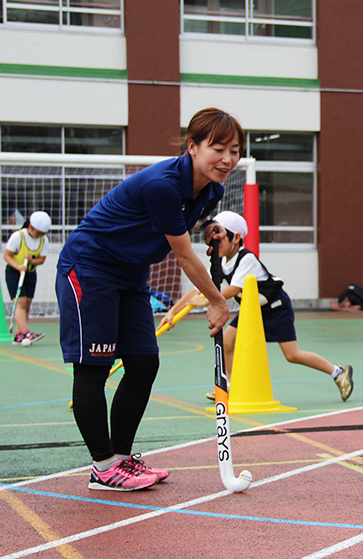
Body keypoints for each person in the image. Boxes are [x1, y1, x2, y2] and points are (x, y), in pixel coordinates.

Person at [56, 107, 240, 492]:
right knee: (92, 367)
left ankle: (121, 459)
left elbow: (187, 227)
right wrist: (216, 300)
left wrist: (209, 229)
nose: (227, 159)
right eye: (218, 148)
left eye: (235, 150)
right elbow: (184, 254)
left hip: (131, 275)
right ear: (192, 147)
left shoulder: (212, 190)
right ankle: (103, 467)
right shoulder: (162, 184)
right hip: (90, 268)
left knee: (142, 363)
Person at [164, 211, 354, 403]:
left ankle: (338, 371)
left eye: (219, 237)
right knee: (228, 340)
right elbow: (198, 289)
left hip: (275, 307)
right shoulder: (220, 261)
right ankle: (231, 386)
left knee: (292, 355)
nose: (214, 243)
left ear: (236, 238)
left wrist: (208, 300)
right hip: (251, 311)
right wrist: (172, 312)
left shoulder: (246, 259)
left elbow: (233, 289)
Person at [3, 210, 51, 344]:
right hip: (14, 272)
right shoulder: (18, 236)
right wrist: (18, 266)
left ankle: (19, 335)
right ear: (30, 227)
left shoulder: (43, 240)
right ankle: (26, 332)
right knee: (21, 302)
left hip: (30, 273)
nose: (40, 236)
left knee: (27, 305)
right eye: (38, 233)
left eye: (43, 234)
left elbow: (41, 260)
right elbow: (7, 255)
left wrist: (30, 261)